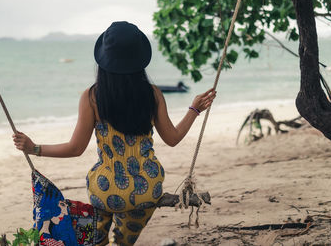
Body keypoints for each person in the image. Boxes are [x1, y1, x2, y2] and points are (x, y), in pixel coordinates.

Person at [13, 21, 216, 246]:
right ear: (140, 59)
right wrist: (194, 110)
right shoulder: (153, 94)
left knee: (97, 236)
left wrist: (35, 148)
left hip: (106, 188)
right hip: (147, 189)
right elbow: (173, 138)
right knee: (124, 242)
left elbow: (75, 148)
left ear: (103, 60)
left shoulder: (92, 97)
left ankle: (99, 240)